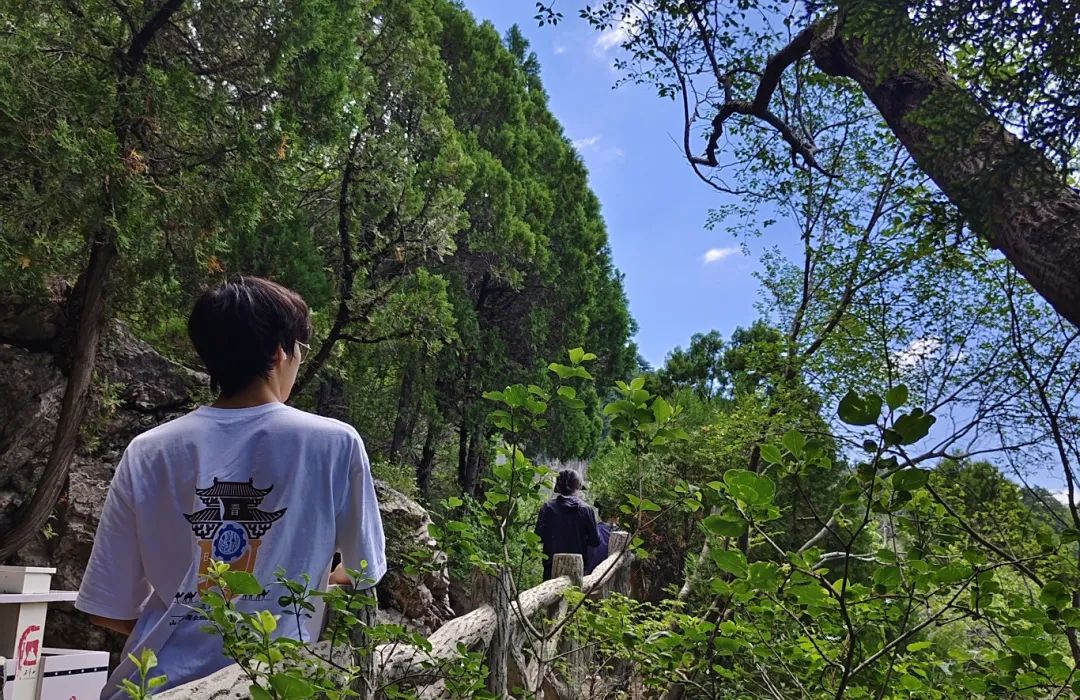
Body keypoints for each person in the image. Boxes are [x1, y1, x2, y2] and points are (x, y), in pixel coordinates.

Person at [75, 276, 386, 698]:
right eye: (301, 349)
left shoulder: (149, 451)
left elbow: (108, 608)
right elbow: (363, 571)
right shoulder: (334, 444)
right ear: (280, 352)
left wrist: (187, 629)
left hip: (154, 687)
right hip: (269, 685)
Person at [535, 469, 600, 580]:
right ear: (578, 487)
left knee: (551, 590)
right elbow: (595, 541)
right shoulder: (586, 510)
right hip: (577, 566)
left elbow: (538, 537)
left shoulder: (547, 507)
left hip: (551, 566)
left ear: (558, 487)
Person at [585, 500, 618, 575]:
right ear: (614, 517)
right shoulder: (617, 533)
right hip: (608, 574)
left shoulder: (592, 530)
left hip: (590, 573)